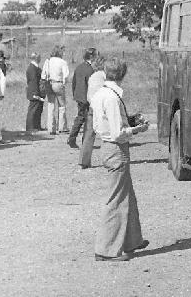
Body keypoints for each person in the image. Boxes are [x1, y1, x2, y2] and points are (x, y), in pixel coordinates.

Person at [92, 58, 150, 261]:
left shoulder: (101, 94)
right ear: (123, 74)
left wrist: (129, 119)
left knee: (127, 195)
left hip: (107, 147)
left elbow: (103, 124)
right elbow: (118, 133)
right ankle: (106, 250)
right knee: (116, 199)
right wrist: (137, 129)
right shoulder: (112, 97)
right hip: (116, 148)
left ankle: (132, 240)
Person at [80, 56, 106, 168]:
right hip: (101, 107)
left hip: (92, 106)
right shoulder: (104, 77)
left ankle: (84, 160)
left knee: (89, 134)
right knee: (107, 133)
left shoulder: (92, 77)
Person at [69, 48, 97, 149]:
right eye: (95, 55)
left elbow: (74, 83)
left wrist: (75, 95)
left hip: (79, 97)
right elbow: (91, 86)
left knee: (81, 118)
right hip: (86, 98)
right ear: (92, 56)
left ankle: (73, 139)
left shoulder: (79, 67)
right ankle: (78, 140)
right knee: (85, 119)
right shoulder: (90, 70)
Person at [42, 45, 70, 134]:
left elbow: (44, 74)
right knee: (62, 106)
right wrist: (64, 83)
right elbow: (66, 75)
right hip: (58, 83)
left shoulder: (48, 61)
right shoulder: (62, 62)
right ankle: (62, 127)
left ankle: (51, 127)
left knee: (51, 105)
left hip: (49, 83)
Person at [25, 52, 45, 132]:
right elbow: (33, 82)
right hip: (34, 92)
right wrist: (35, 94)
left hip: (38, 92)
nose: (40, 59)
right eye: (39, 57)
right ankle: (30, 127)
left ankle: (37, 126)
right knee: (32, 110)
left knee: (38, 109)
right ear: (36, 58)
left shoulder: (35, 68)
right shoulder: (32, 68)